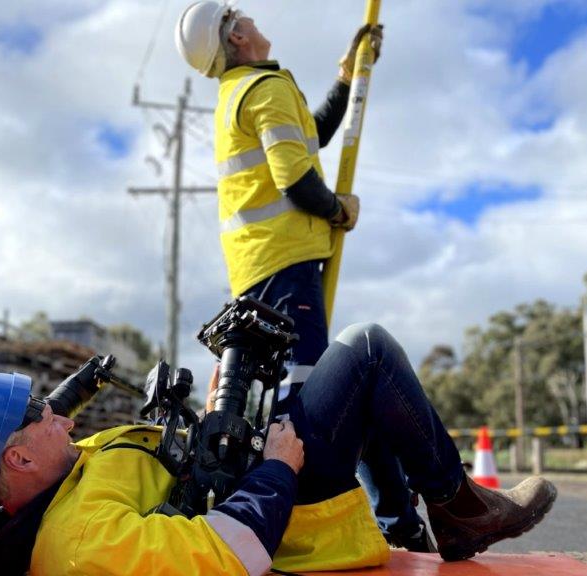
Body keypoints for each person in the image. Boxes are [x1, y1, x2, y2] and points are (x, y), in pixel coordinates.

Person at [0, 323, 557, 576]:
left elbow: (160, 469)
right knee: (365, 352)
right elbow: (229, 552)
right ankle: (457, 508)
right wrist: (279, 466)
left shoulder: (69, 471)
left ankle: (417, 526)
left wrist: (212, 416)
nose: (59, 418)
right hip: (280, 523)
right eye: (40, 412)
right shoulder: (80, 539)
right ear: (16, 458)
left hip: (247, 484)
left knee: (332, 390)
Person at [174, 2, 433, 551]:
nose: (249, 17)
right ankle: (325, 527)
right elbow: (295, 180)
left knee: (330, 392)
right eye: (238, 15)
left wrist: (347, 77)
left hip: (263, 269)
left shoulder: (244, 91)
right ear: (237, 36)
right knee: (320, 400)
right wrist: (339, 209)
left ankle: (402, 526)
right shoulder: (260, 90)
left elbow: (310, 134)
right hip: (283, 265)